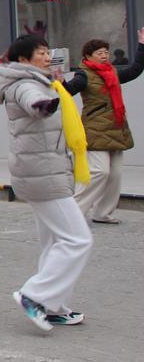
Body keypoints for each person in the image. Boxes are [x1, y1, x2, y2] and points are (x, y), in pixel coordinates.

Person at [0, 34, 93, 331]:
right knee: (78, 239)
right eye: (41, 53)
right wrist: (44, 105)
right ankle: (34, 296)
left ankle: (54, 305)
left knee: (55, 241)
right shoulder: (26, 84)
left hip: (42, 170)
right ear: (24, 60)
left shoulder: (40, 80)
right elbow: (32, 101)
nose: (47, 57)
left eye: (48, 52)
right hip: (42, 174)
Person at [62, 30, 144, 224]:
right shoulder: (84, 74)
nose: (105, 56)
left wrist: (142, 45)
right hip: (95, 129)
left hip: (116, 127)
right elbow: (70, 89)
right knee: (100, 171)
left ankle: (102, 213)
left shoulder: (112, 72)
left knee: (115, 175)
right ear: (88, 56)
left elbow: (134, 70)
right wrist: (60, 82)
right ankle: (72, 212)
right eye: (100, 53)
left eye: (106, 52)